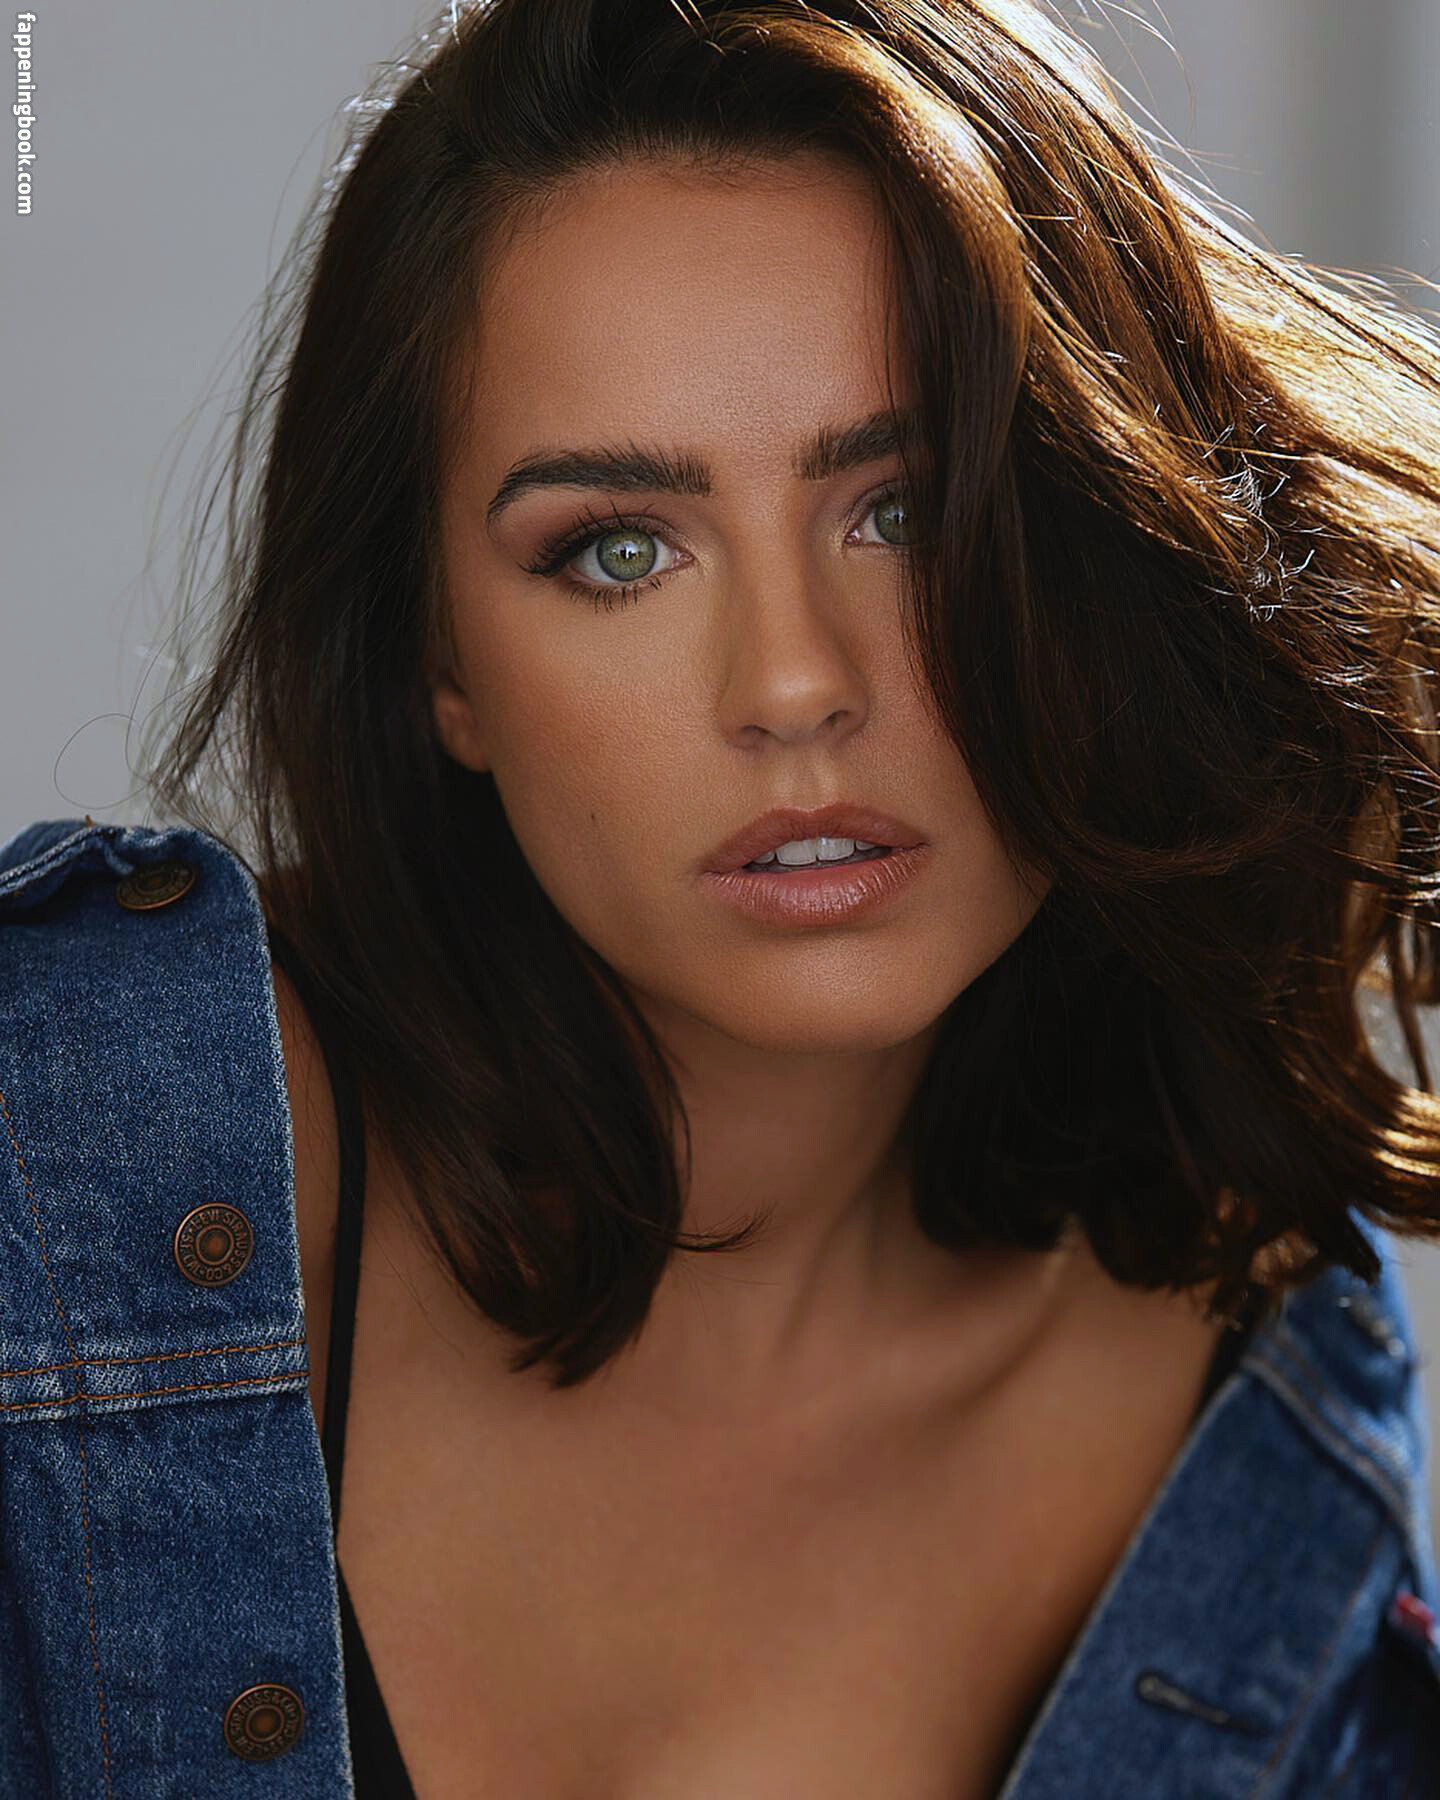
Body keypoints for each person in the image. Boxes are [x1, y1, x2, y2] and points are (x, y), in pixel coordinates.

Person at [3, 0, 1440, 1793]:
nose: (793, 682)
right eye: (618, 551)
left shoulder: (1257, 1395)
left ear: (1104, 534)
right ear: (442, 663)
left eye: (903, 511)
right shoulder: (54, 1166)